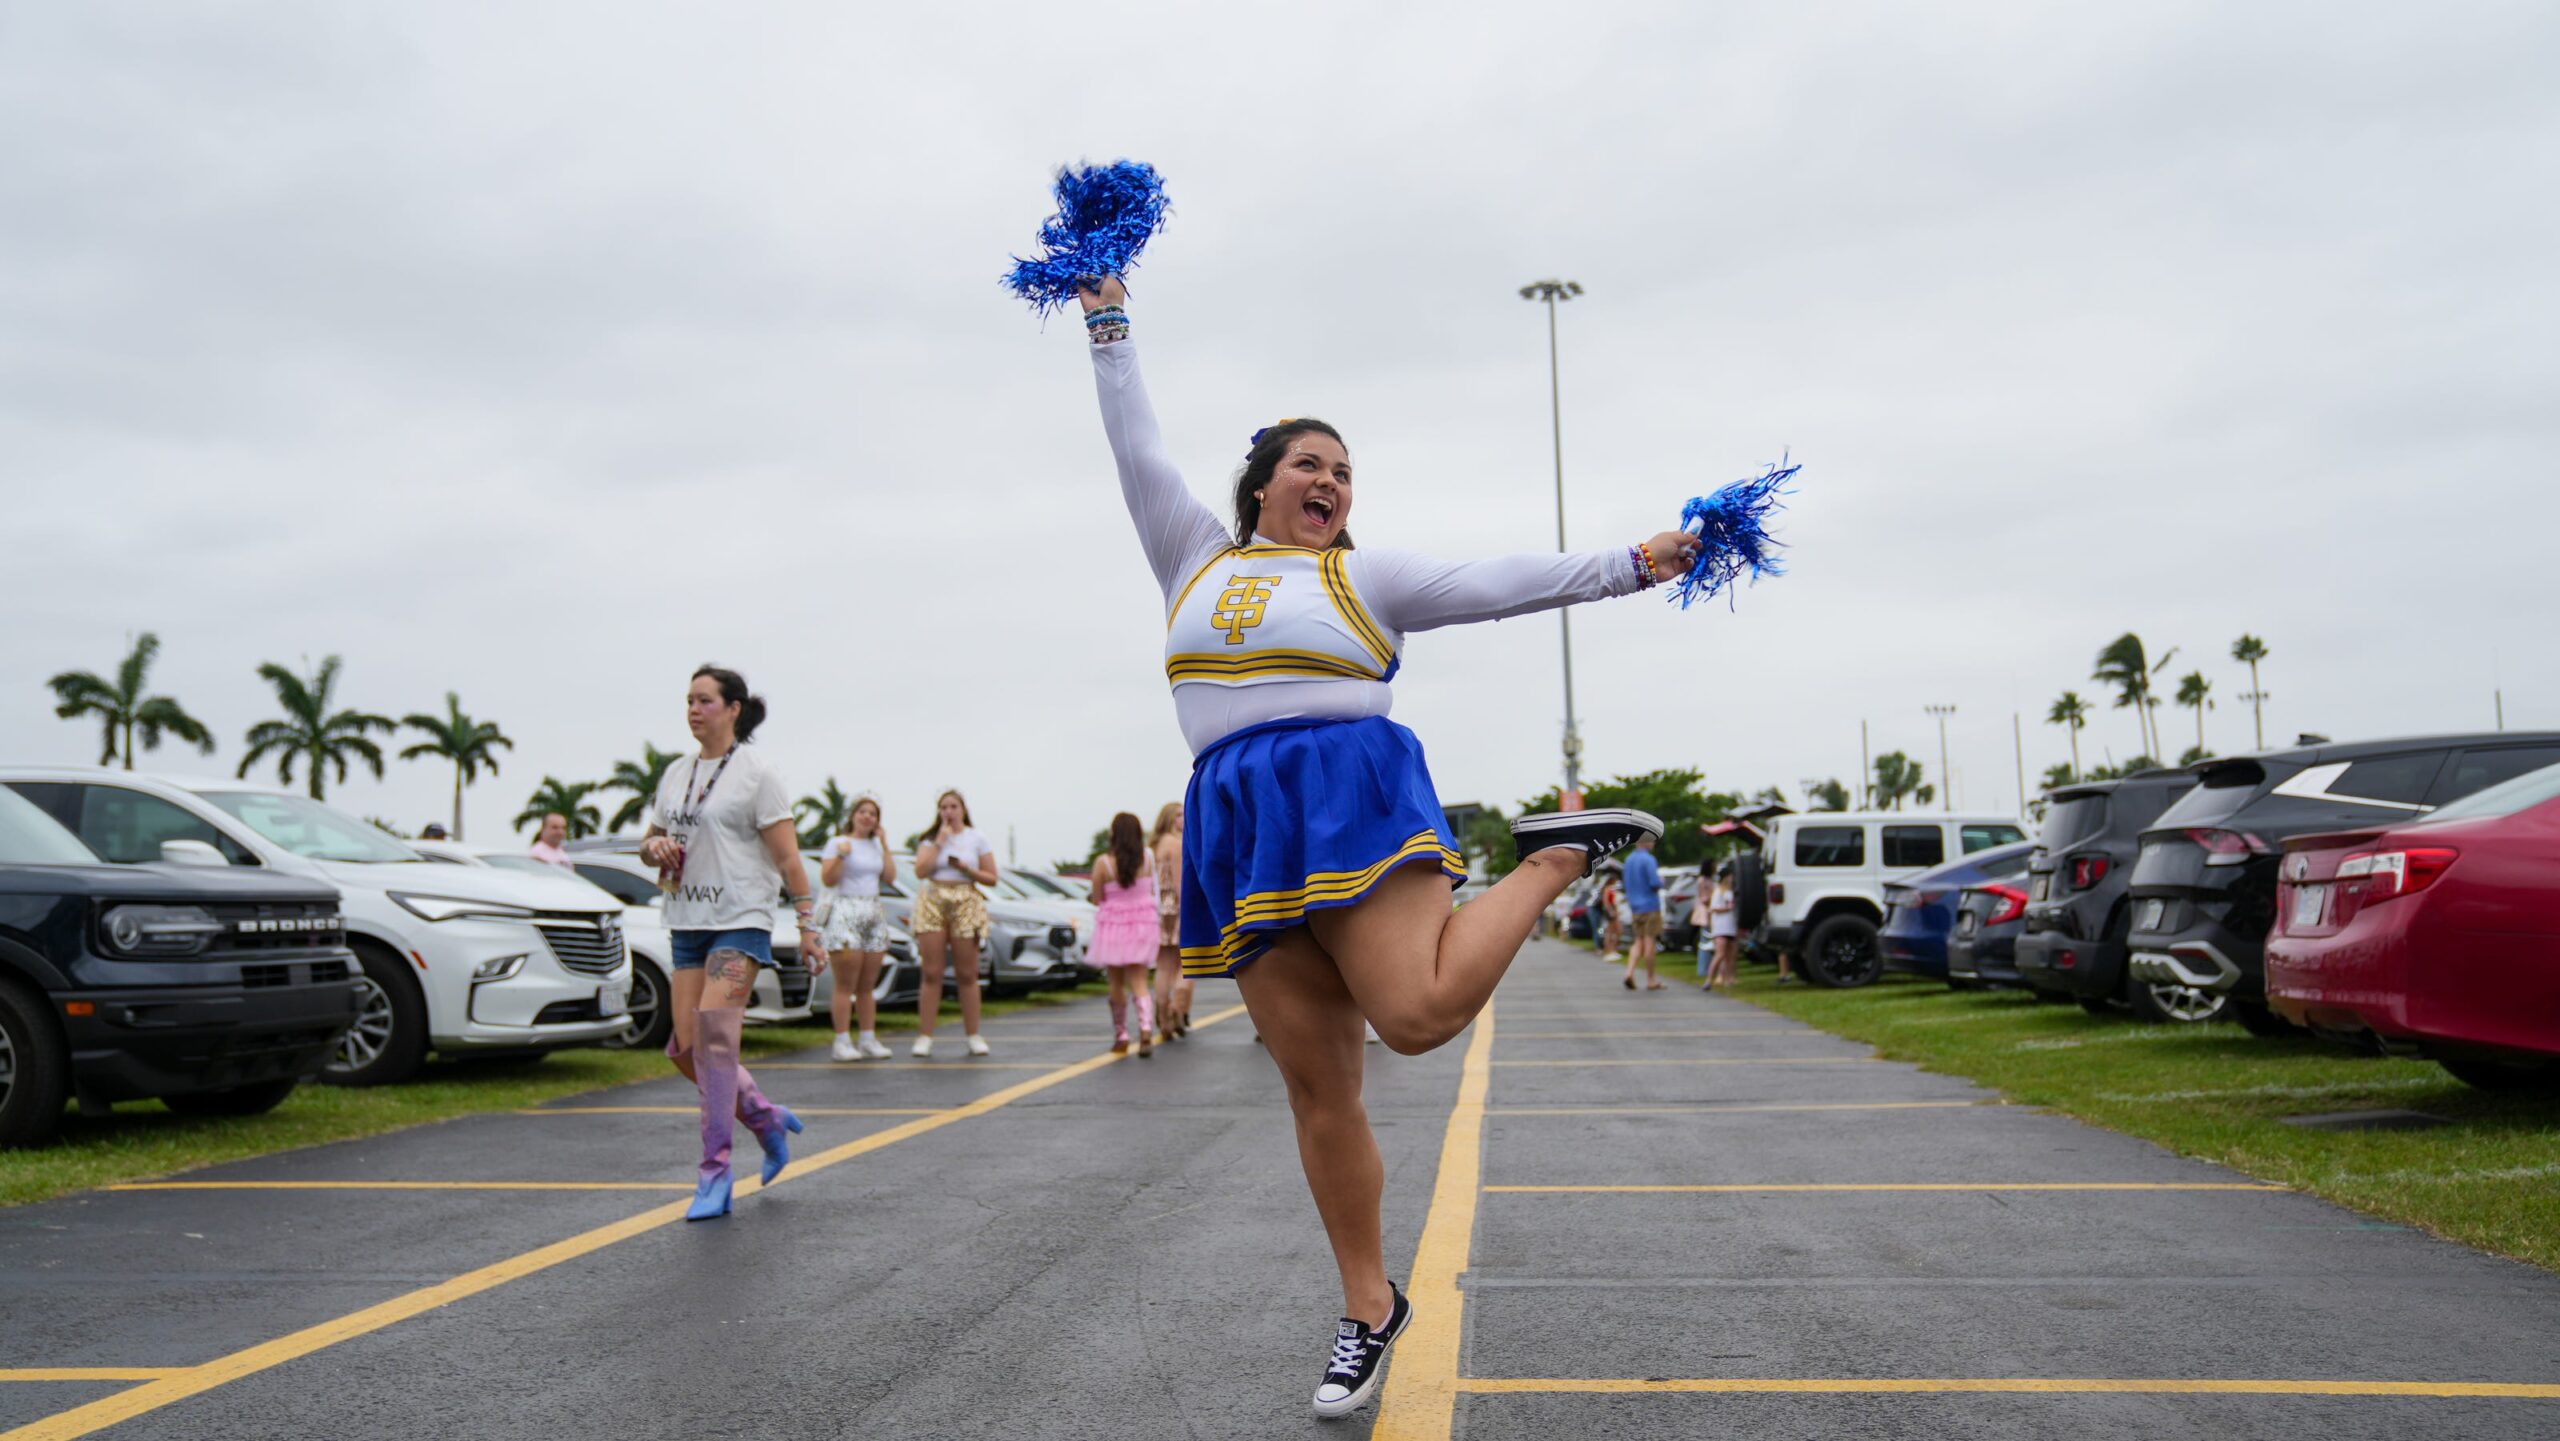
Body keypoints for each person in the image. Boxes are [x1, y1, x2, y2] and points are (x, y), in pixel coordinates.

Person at [1074, 275, 1683, 1418]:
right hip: (1237, 822)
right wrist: (1104, 313)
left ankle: (1553, 860)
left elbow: (1509, 581)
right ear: (1263, 482)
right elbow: (1133, 437)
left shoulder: (1366, 577)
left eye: (1345, 472)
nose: (1332, 483)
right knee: (1319, 1088)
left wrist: (1630, 564)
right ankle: (1366, 1309)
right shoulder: (1189, 557)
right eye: (1312, 465)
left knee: (1414, 1016)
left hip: (1347, 794)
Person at [638, 665, 820, 1221]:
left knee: (717, 1042)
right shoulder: (675, 773)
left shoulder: (757, 774)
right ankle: (765, 1118)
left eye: (705, 701)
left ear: (733, 708)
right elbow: (649, 841)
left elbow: (788, 857)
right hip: (687, 917)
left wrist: (808, 923)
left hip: (741, 918)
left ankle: (714, 1173)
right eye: (688, 701)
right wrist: (657, 849)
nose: (694, 710)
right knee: (686, 1049)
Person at [911, 788, 996, 1058]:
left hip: (965, 897)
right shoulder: (930, 839)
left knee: (967, 973)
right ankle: (925, 1035)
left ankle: (973, 1034)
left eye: (953, 807)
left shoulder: (976, 837)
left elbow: (992, 877)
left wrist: (967, 870)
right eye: (943, 807)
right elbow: (920, 870)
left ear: (963, 809)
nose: (948, 812)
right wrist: (939, 842)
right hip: (934, 897)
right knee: (932, 972)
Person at [819, 794, 897, 1062]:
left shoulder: (876, 845)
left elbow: (889, 877)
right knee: (846, 983)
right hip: (845, 909)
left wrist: (885, 844)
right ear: (853, 816)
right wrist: (841, 856)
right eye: (862, 812)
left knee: (867, 983)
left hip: (872, 910)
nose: (867, 817)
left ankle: (868, 1037)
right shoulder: (839, 843)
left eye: (872, 814)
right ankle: (842, 1040)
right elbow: (827, 877)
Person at [1086, 811, 1159, 1056]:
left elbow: (1097, 898)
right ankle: (1146, 1028)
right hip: (1142, 924)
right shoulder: (1148, 858)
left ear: (1113, 834)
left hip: (1113, 926)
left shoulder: (1104, 863)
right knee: (1139, 980)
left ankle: (1122, 1034)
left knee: (1116, 982)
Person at [1147, 801, 1192, 1041]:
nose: (1183, 819)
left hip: (1157, 910)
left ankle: (1162, 1017)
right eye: (1178, 815)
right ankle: (1177, 1008)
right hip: (1175, 908)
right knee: (1186, 964)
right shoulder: (1174, 844)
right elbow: (1178, 882)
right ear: (1168, 819)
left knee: (1163, 966)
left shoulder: (1152, 846)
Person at [1620, 833, 1665, 990]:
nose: (1654, 844)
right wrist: (1661, 882)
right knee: (1649, 942)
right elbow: (1654, 882)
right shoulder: (1649, 859)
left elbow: (1625, 883)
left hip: (1635, 907)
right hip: (1650, 906)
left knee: (1638, 941)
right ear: (1646, 842)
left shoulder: (1628, 860)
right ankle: (1651, 979)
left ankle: (1629, 972)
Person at [1704, 861, 1742, 992]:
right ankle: (1709, 979)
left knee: (1730, 955)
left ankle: (1729, 978)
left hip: (1731, 925)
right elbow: (1713, 908)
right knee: (1720, 954)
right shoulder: (1718, 891)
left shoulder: (1731, 891)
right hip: (1721, 926)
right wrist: (1727, 908)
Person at [1596, 864, 1624, 961]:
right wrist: (1611, 911)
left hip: (1614, 910)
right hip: (1611, 911)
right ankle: (1608, 951)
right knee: (1610, 932)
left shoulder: (1613, 889)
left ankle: (1613, 950)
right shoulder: (1608, 889)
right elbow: (1606, 902)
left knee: (1616, 931)